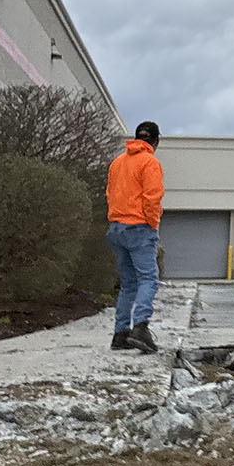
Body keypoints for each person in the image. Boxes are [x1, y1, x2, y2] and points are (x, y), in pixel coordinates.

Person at [105, 120, 164, 353]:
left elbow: (110, 194)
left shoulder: (118, 163)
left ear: (137, 138)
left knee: (128, 284)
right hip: (139, 228)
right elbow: (152, 198)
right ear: (156, 141)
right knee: (148, 279)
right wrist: (153, 223)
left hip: (116, 228)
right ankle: (140, 327)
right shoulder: (150, 162)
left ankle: (120, 334)